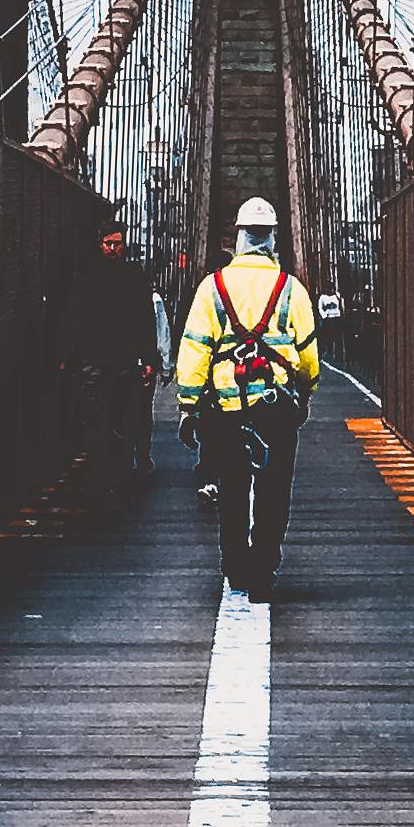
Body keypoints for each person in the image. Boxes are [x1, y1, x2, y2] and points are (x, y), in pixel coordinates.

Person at [177, 196, 321, 598]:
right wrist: (307, 389)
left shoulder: (213, 287)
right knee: (275, 490)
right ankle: (263, 567)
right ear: (273, 238)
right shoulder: (290, 289)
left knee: (232, 488)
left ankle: (235, 566)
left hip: (225, 407)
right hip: (276, 407)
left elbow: (194, 346)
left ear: (238, 237)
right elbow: (307, 350)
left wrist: (188, 405)